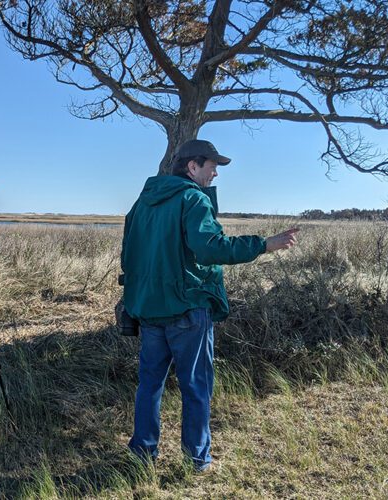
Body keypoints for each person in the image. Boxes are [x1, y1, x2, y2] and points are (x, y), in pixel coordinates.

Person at [121, 139, 298, 472]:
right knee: (196, 385)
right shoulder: (193, 198)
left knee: (149, 384)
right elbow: (211, 248)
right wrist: (265, 244)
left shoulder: (140, 205)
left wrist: (134, 299)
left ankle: (142, 455)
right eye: (212, 165)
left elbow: (128, 258)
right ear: (192, 166)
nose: (216, 172)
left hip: (148, 310)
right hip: (188, 307)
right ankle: (197, 460)